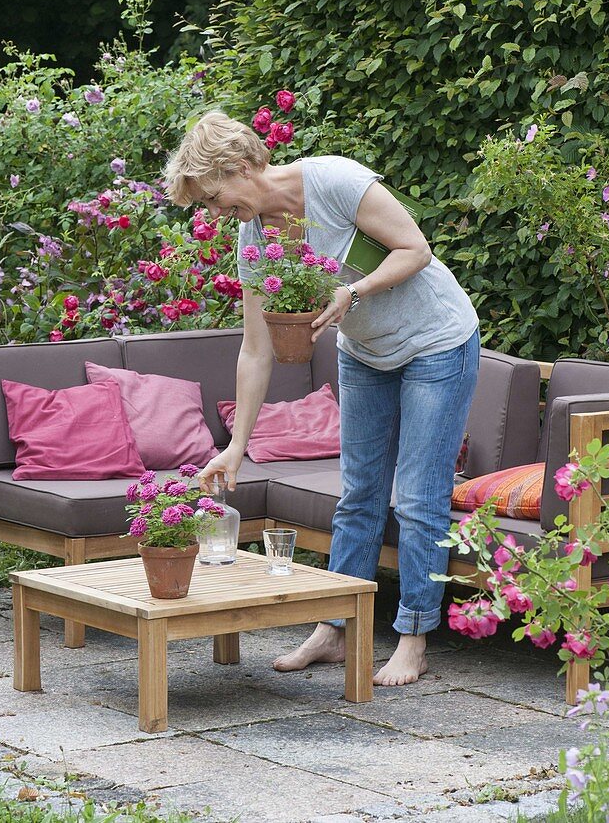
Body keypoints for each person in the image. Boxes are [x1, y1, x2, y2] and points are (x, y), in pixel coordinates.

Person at [164, 110, 479, 686]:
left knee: (416, 497)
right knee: (358, 493)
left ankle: (413, 638)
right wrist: (236, 446)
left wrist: (351, 290)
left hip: (436, 341)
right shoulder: (254, 235)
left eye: (214, 197)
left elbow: (415, 250)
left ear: (241, 166)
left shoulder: (334, 181)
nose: (213, 213)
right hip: (366, 353)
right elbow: (256, 349)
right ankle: (333, 629)